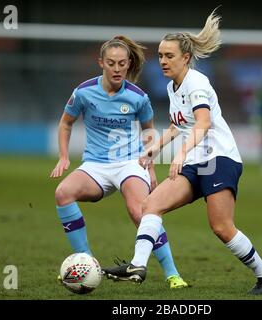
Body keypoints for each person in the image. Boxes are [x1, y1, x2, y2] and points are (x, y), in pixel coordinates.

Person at [102, 11, 262, 295]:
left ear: (185, 58)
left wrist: (180, 154)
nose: (162, 61)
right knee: (151, 205)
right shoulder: (175, 86)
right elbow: (179, 124)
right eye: (160, 55)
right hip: (196, 161)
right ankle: (137, 265)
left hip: (219, 159)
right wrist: (155, 147)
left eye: (169, 56)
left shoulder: (196, 82)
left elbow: (204, 123)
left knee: (221, 227)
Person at [50, 35, 188, 289]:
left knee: (141, 212)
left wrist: (151, 168)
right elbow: (65, 123)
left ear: (128, 64)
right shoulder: (83, 92)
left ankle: (172, 274)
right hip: (95, 165)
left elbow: (148, 132)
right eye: (111, 63)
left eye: (122, 64)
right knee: (63, 193)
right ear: (101, 62)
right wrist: (64, 156)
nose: (117, 69)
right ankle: (87, 263)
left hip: (130, 163)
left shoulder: (138, 97)